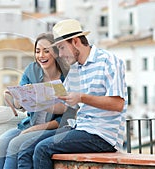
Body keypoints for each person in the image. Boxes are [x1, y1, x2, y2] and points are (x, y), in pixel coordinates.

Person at [22, 19, 128, 169]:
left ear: (76, 41)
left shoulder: (109, 61)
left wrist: (81, 97)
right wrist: (33, 100)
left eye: (62, 48)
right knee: (27, 146)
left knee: (42, 149)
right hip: (79, 128)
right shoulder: (74, 70)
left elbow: (118, 104)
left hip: (102, 135)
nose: (61, 55)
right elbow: (62, 106)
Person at [0, 33, 70, 169]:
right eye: (37, 51)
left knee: (15, 144)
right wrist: (18, 96)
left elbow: (66, 118)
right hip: (29, 125)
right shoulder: (32, 70)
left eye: (46, 51)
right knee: (0, 143)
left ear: (56, 53)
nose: (41, 55)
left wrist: (37, 128)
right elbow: (20, 107)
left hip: (53, 129)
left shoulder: (66, 78)